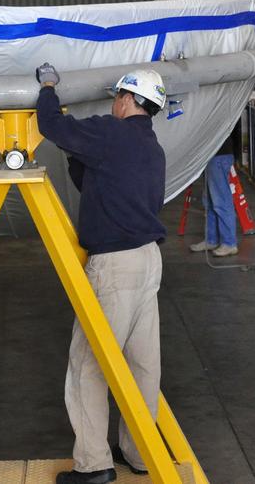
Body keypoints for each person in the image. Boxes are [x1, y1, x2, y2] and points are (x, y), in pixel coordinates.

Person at [35, 63, 168, 484]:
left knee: (88, 365)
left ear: (127, 99)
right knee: (142, 366)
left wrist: (48, 86)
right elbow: (94, 179)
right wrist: (81, 153)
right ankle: (141, 452)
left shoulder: (110, 135)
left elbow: (52, 125)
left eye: (116, 96)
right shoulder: (152, 148)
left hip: (115, 267)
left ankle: (93, 466)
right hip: (148, 262)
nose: (113, 102)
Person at [190, 121, 243, 257]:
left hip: (219, 154)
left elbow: (235, 129)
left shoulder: (224, 102)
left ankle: (229, 243)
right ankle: (211, 240)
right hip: (211, 155)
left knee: (221, 202)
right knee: (209, 202)